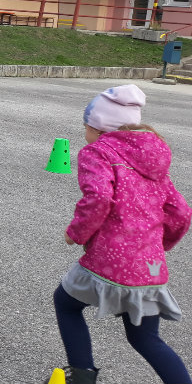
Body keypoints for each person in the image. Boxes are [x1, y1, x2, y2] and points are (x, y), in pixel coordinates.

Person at [47, 85, 191, 384]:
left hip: (109, 261)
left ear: (99, 127)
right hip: (150, 266)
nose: (85, 132)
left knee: (66, 303)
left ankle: (82, 375)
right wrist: (158, 245)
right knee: (145, 338)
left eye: (86, 125)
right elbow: (181, 212)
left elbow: (99, 197)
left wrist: (76, 232)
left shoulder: (97, 152)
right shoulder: (154, 158)